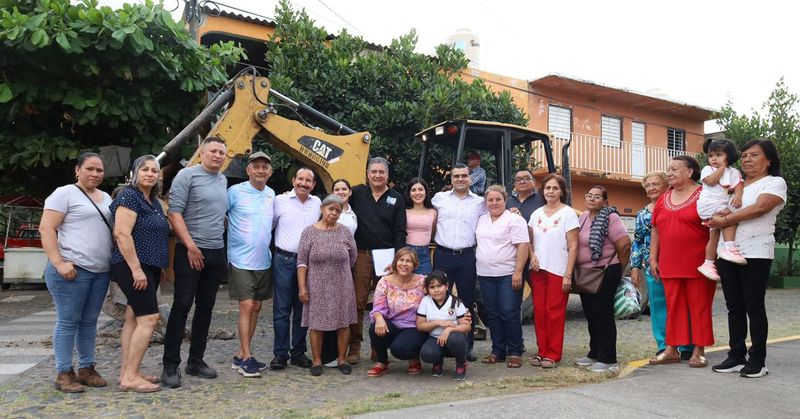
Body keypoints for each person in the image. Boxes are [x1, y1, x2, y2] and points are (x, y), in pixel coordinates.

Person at [707, 139, 786, 378]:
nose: (747, 160)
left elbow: (760, 208)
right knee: (734, 307)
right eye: (744, 156)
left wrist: (726, 220)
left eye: (754, 155)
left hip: (756, 252)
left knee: (754, 305)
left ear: (769, 160)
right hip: (726, 252)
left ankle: (758, 360)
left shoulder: (774, 182)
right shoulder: (734, 184)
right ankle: (736, 356)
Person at [40, 152, 112, 393]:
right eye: (90, 169)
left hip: (99, 271)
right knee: (68, 321)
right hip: (72, 270)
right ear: (77, 170)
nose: (95, 174)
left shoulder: (106, 198)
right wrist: (59, 263)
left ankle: (86, 368)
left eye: (99, 170)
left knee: (90, 322)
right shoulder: (64, 193)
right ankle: (63, 372)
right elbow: (47, 228)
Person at [162, 136, 229, 388]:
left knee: (206, 308)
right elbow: (174, 212)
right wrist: (190, 246)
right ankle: (170, 365)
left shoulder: (222, 180)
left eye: (222, 152)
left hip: (215, 251)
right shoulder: (187, 176)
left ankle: (196, 361)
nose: (217, 156)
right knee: (182, 305)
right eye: (213, 151)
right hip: (190, 250)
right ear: (202, 152)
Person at [110, 155, 170, 393]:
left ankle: (128, 371)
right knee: (149, 319)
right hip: (133, 266)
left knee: (134, 318)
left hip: (149, 267)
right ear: (135, 173)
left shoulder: (153, 201)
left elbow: (155, 236)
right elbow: (122, 234)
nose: (149, 173)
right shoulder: (129, 195)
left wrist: (158, 268)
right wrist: (136, 269)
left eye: (154, 170)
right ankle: (131, 377)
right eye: (144, 169)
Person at [649, 156, 716, 369]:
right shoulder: (664, 198)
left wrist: (712, 258)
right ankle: (671, 349)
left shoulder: (704, 194)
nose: (669, 173)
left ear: (690, 171)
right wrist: (653, 258)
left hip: (698, 262)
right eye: (668, 169)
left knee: (699, 306)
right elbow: (656, 229)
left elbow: (716, 226)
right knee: (673, 306)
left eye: (675, 169)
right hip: (669, 261)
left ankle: (699, 350)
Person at [348, 157, 407, 364]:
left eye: (381, 172)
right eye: (374, 171)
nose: (377, 175)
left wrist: (398, 260)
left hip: (387, 257)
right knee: (358, 302)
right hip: (362, 254)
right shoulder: (356, 194)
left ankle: (378, 347)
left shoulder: (397, 198)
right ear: (367, 173)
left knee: (386, 304)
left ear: (387, 175)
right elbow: (334, 201)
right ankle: (354, 347)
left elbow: (400, 231)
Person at [630, 171, 692, 359]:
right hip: (652, 266)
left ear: (667, 185)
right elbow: (638, 240)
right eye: (648, 186)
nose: (651, 188)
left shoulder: (676, 205)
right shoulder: (642, 214)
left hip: (678, 263)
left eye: (655, 184)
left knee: (681, 304)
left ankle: (687, 345)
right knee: (658, 306)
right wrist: (635, 266)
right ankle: (663, 344)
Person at [297, 195, 358, 376]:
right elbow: (301, 261)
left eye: (338, 210)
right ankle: (317, 360)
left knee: (343, 322)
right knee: (316, 323)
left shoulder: (345, 232)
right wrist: (302, 287)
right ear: (322, 209)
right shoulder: (309, 232)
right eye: (331, 209)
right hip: (317, 284)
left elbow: (353, 257)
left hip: (342, 283)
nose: (334, 213)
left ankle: (342, 359)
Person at [226, 152, 275, 377]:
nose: (261, 170)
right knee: (246, 306)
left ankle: (241, 353)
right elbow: (220, 216)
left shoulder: (272, 194)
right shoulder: (234, 192)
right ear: (248, 170)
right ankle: (246, 357)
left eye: (265, 167)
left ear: (270, 172)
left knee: (256, 307)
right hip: (240, 260)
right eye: (256, 166)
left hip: (263, 260)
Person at [432, 163, 487, 361]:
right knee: (440, 299)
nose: (461, 179)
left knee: (466, 302)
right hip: (443, 255)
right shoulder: (439, 199)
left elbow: (497, 210)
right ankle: (439, 342)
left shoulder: (480, 202)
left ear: (470, 179)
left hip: (467, 257)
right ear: (451, 179)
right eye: (457, 176)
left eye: (464, 176)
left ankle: (467, 345)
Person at [574, 185, 631, 373]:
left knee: (603, 314)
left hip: (606, 270)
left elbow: (624, 246)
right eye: (589, 195)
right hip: (586, 273)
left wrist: (618, 270)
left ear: (605, 201)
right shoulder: (583, 217)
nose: (592, 199)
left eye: (597, 197)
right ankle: (594, 353)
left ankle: (608, 359)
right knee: (590, 314)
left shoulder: (611, 217)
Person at [270, 167, 320, 370]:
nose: (304, 183)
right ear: (293, 180)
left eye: (308, 181)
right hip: (284, 260)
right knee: (281, 309)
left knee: (303, 309)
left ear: (314, 185)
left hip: (308, 263)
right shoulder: (279, 201)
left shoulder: (317, 203)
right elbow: (270, 225)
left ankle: (298, 352)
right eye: (300, 179)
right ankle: (280, 354)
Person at [475, 185, 530, 368]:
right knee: (492, 313)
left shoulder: (513, 219)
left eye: (498, 199)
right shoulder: (481, 219)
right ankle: (497, 350)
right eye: (490, 200)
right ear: (486, 202)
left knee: (509, 312)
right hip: (485, 274)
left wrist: (518, 272)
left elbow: (523, 245)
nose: (494, 203)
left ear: (505, 200)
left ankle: (515, 350)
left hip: (508, 274)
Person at [528, 174, 579, 368]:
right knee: (540, 312)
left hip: (558, 270)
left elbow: (574, 246)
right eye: (547, 188)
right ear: (543, 191)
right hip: (538, 269)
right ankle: (542, 351)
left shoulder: (568, 213)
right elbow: (529, 240)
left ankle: (553, 354)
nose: (550, 191)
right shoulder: (536, 214)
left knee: (554, 313)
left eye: (555, 188)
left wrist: (568, 274)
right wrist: (531, 255)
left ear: (562, 192)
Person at [367, 248, 428, 377]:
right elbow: (378, 307)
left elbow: (440, 293)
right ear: (395, 262)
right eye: (401, 260)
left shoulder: (423, 282)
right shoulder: (384, 282)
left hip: (414, 327)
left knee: (400, 349)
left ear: (415, 265)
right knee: (375, 327)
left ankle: (414, 358)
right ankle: (382, 363)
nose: (404, 264)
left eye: (409, 261)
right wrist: (379, 318)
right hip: (392, 324)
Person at [697, 138, 746, 281]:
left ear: (728, 156)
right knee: (731, 219)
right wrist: (722, 167)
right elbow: (711, 181)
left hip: (718, 206)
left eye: (719, 155)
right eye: (711, 156)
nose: (714, 159)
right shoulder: (707, 170)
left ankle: (708, 263)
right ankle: (729, 248)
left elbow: (738, 186)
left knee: (714, 235)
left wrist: (738, 195)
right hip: (707, 205)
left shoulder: (734, 172)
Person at [416, 271, 470, 380]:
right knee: (427, 353)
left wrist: (449, 330)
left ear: (446, 286)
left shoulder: (455, 302)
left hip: (454, 337)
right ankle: (437, 361)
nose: (436, 290)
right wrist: (438, 322)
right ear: (427, 290)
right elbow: (420, 326)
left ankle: (461, 362)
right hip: (434, 338)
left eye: (439, 286)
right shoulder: (425, 301)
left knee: (456, 340)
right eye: (432, 287)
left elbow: (467, 326)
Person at [404, 177, 437, 275]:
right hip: (406, 252)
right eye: (413, 190)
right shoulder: (403, 211)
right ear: (409, 193)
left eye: (420, 189)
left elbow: (433, 233)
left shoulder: (433, 212)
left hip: (424, 255)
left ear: (426, 192)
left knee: (423, 286)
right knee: (404, 287)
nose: (417, 193)